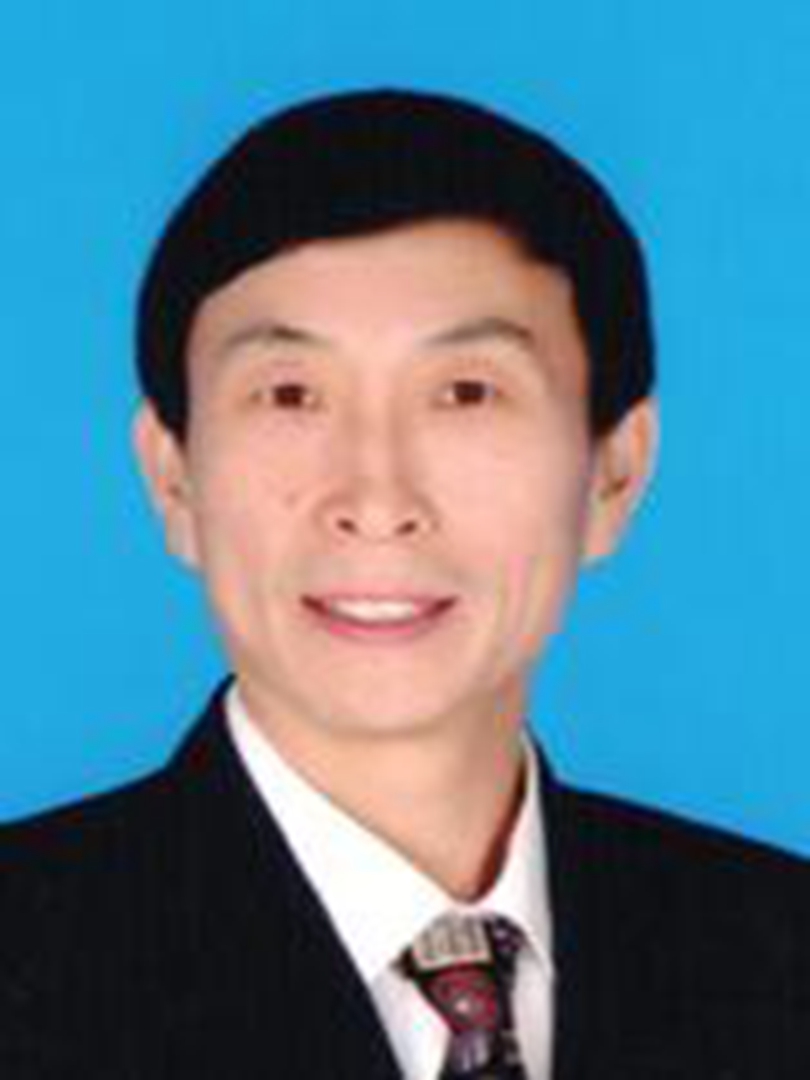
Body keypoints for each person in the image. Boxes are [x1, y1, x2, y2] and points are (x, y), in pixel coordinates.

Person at [1, 88, 808, 1080]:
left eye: (466, 393)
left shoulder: (778, 952)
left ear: (614, 473)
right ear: (173, 478)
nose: (376, 500)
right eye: (290, 394)